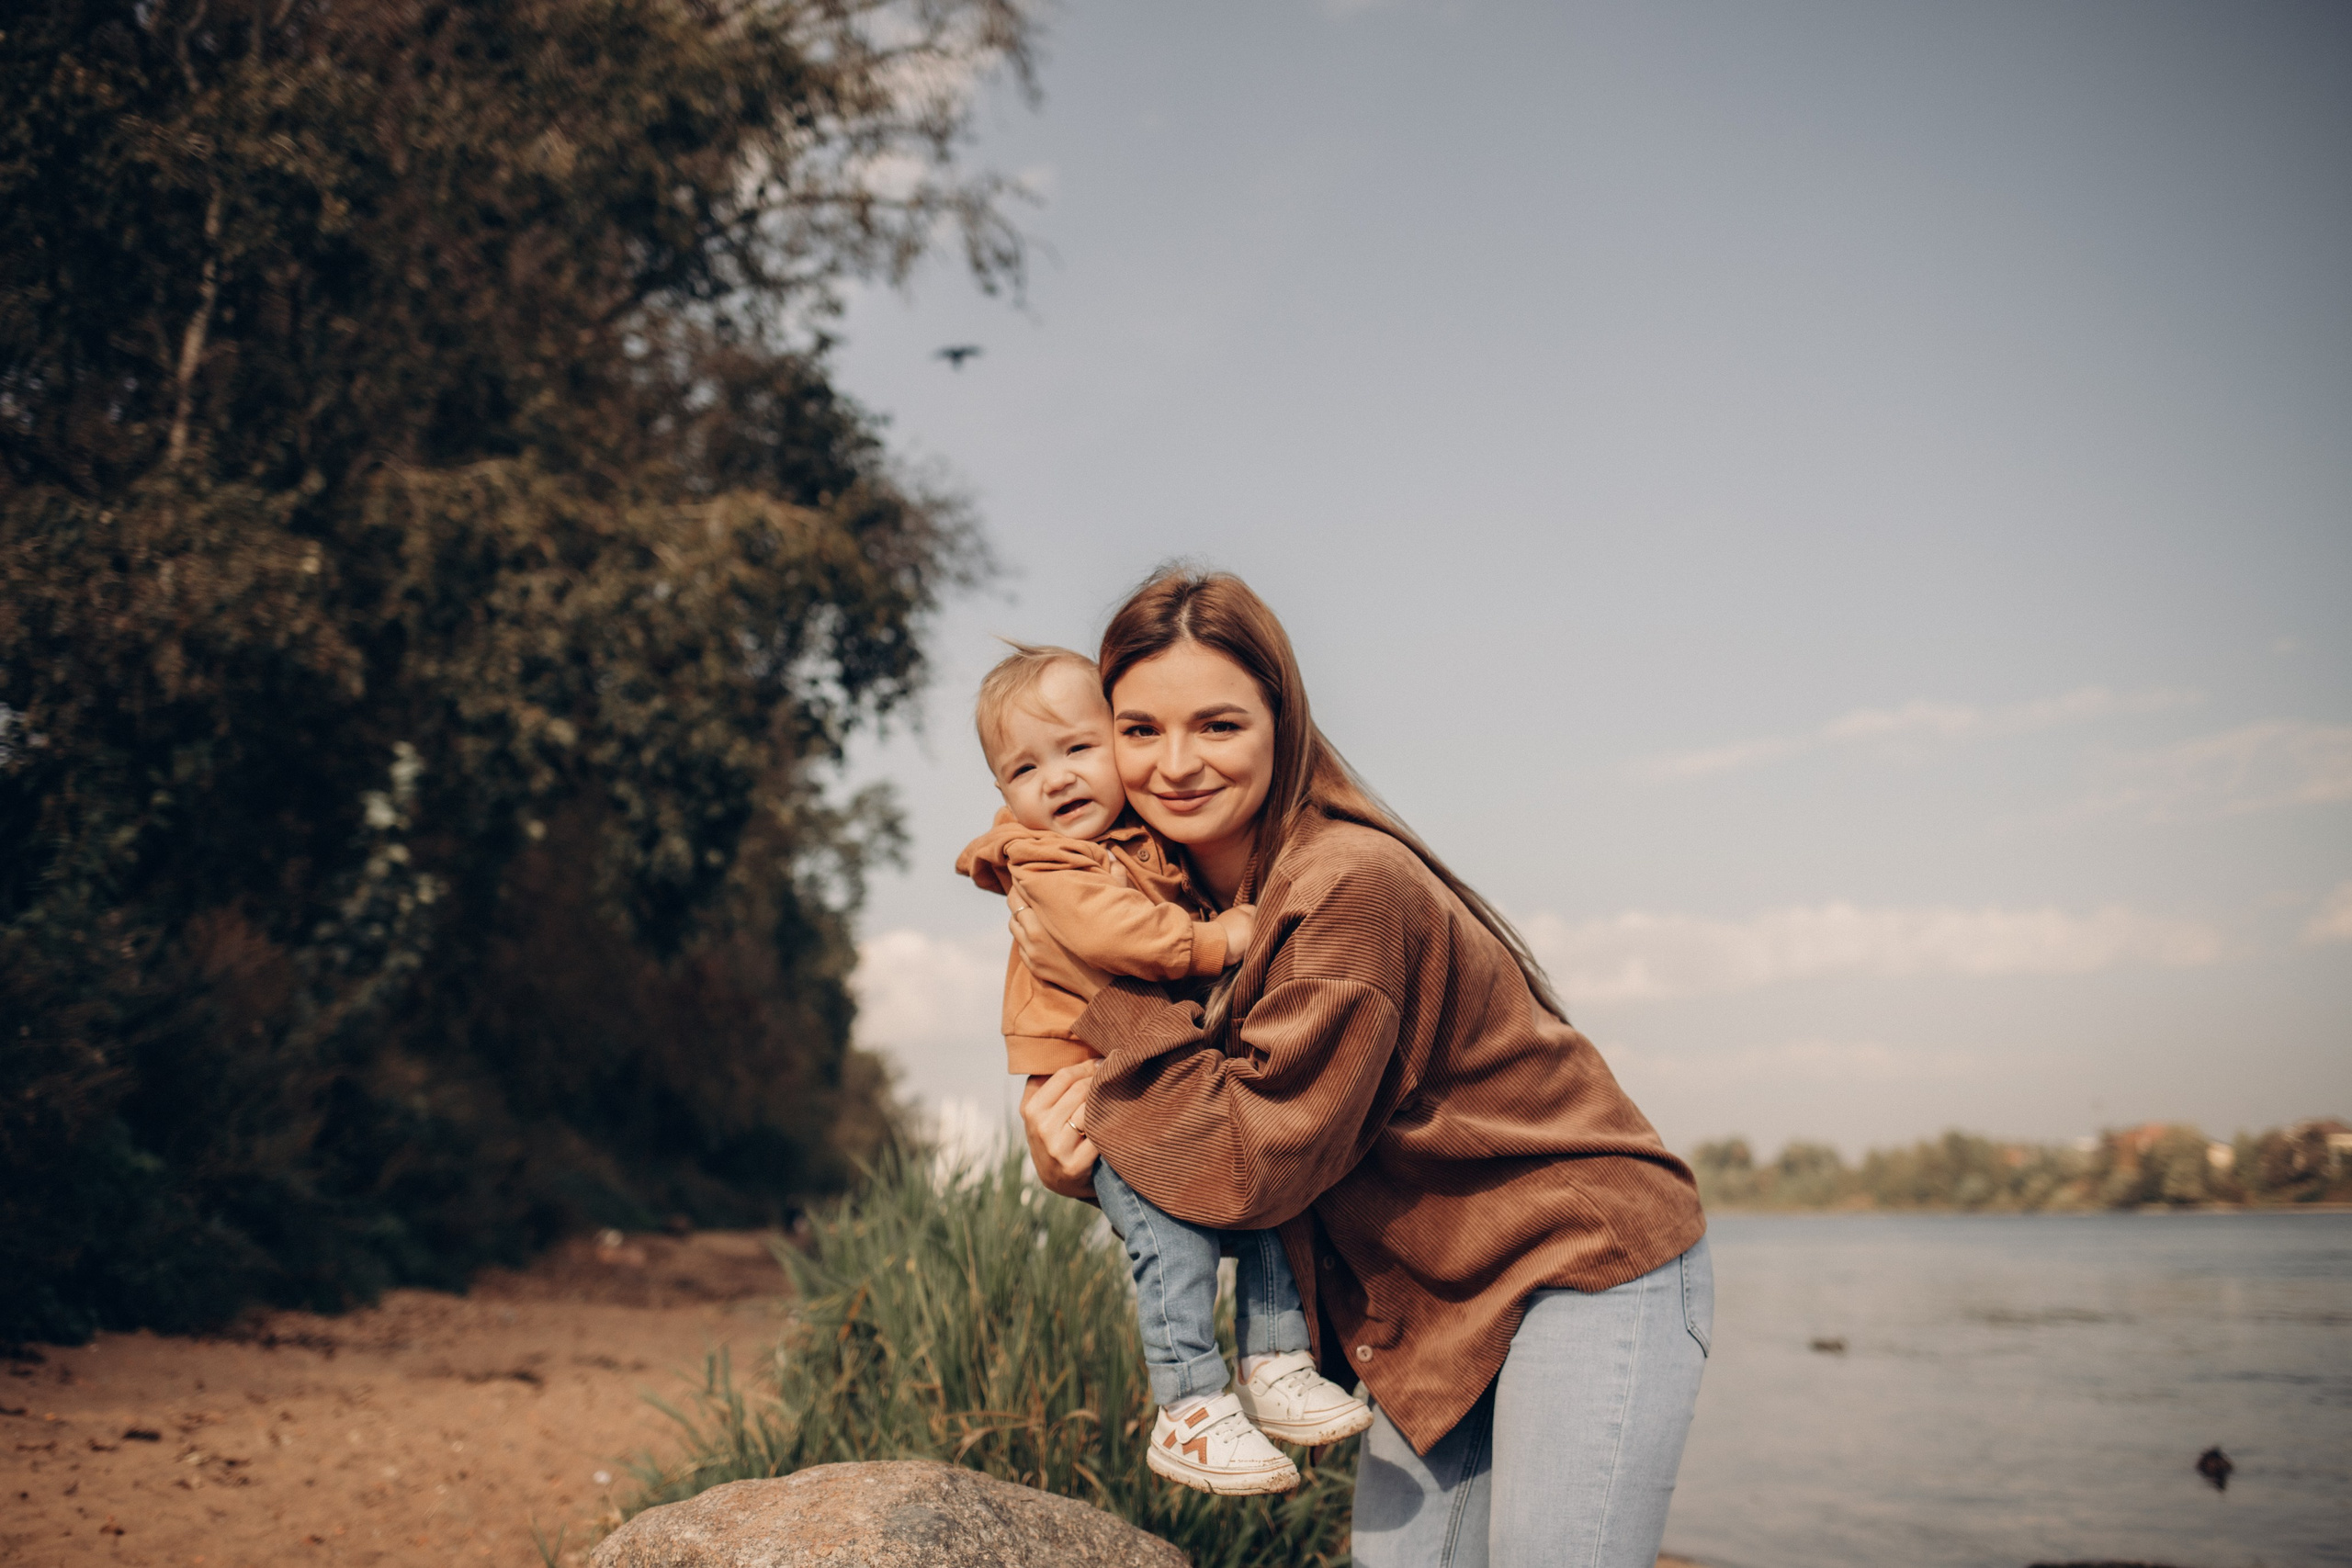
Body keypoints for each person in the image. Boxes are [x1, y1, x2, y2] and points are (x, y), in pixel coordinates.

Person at [1014, 570, 1712, 1568]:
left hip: (1579, 1262)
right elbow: (1229, 1170)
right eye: (1139, 730)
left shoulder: (1347, 886)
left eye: (1218, 725)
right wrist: (1082, 1162)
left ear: (1283, 722)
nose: (1175, 764)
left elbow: (1250, 1168)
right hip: (1429, 1301)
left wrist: (1102, 1006)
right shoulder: (1166, 911)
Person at [956, 642, 1374, 1496]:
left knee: (1263, 1206)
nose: (1057, 779)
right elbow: (1117, 936)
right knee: (1170, 1242)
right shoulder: (1048, 859)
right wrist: (1219, 938)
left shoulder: (1142, 843)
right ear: (1002, 791)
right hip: (1100, 1086)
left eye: (1078, 748)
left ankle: (1275, 1358)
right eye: (1024, 768)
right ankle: (1188, 1403)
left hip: (1155, 1079)